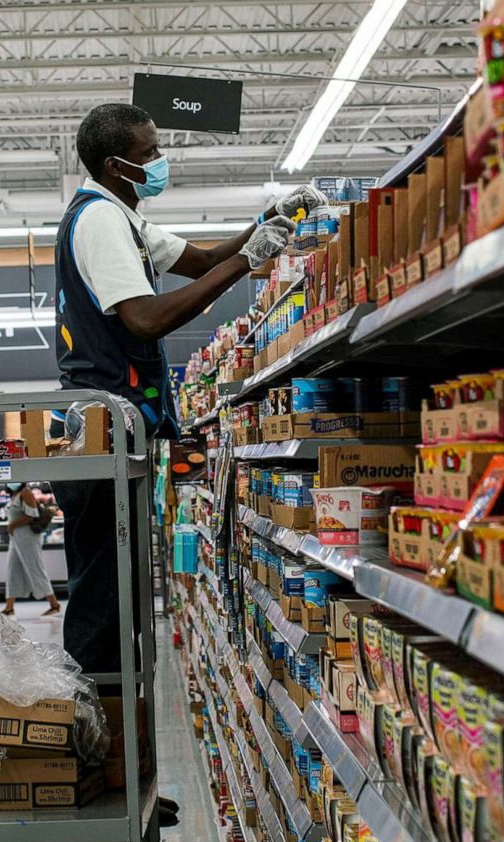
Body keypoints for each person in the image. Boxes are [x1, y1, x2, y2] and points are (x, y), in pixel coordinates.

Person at [53, 101, 323, 676]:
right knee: (103, 598)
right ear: (113, 163)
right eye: (148, 152)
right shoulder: (100, 221)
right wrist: (245, 265)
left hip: (115, 430)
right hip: (99, 432)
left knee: (118, 590)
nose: (160, 160)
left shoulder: (123, 215)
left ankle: (116, 727)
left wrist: (268, 219)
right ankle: (98, 733)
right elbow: (145, 319)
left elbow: (202, 259)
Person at [1, 482, 60, 616]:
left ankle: (54, 604)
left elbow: (32, 515)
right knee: (12, 570)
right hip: (16, 538)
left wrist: (13, 525)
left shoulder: (26, 493)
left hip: (28, 537)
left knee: (35, 568)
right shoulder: (15, 494)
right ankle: (9, 607)